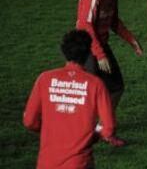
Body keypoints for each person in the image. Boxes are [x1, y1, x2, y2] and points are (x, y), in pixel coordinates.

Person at [23, 30, 123, 169]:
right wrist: (92, 135)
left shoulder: (44, 79)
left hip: (46, 162)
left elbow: (29, 121)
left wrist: (49, 130)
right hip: (79, 163)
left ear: (63, 51)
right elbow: (108, 128)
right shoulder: (95, 84)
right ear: (89, 53)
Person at [76, 0, 143, 133]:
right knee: (90, 92)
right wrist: (99, 54)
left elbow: (113, 20)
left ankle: (101, 127)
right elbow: (85, 25)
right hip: (86, 46)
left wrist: (131, 39)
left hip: (100, 44)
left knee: (116, 88)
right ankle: (81, 130)